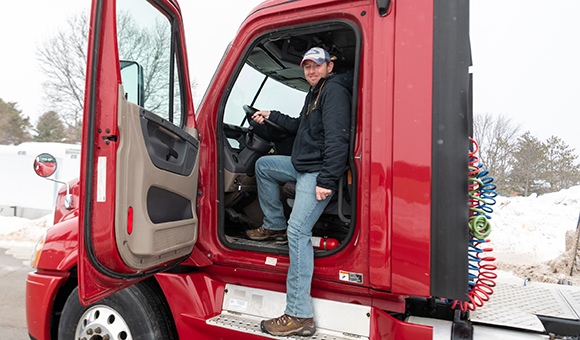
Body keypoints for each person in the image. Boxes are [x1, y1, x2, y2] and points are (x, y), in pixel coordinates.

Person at [246, 47, 353, 336]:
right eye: (307, 66)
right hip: (303, 165)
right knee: (265, 165)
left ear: (329, 66)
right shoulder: (315, 94)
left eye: (317, 66)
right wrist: (272, 115)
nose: (311, 71)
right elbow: (298, 126)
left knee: (299, 233)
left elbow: (338, 140)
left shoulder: (333, 92)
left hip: (317, 171)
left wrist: (326, 181)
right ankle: (273, 225)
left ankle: (299, 314)